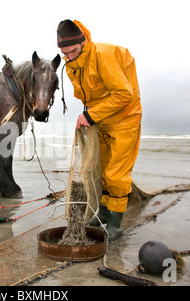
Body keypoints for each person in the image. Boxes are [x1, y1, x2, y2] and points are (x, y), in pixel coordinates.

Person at [57, 19, 142, 240]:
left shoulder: (103, 55)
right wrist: (91, 117)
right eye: (65, 54)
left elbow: (125, 94)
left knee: (116, 174)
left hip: (125, 119)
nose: (70, 57)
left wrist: (90, 115)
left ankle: (115, 224)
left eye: (73, 51)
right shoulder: (72, 66)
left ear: (83, 41)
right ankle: (103, 213)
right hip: (102, 120)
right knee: (101, 170)